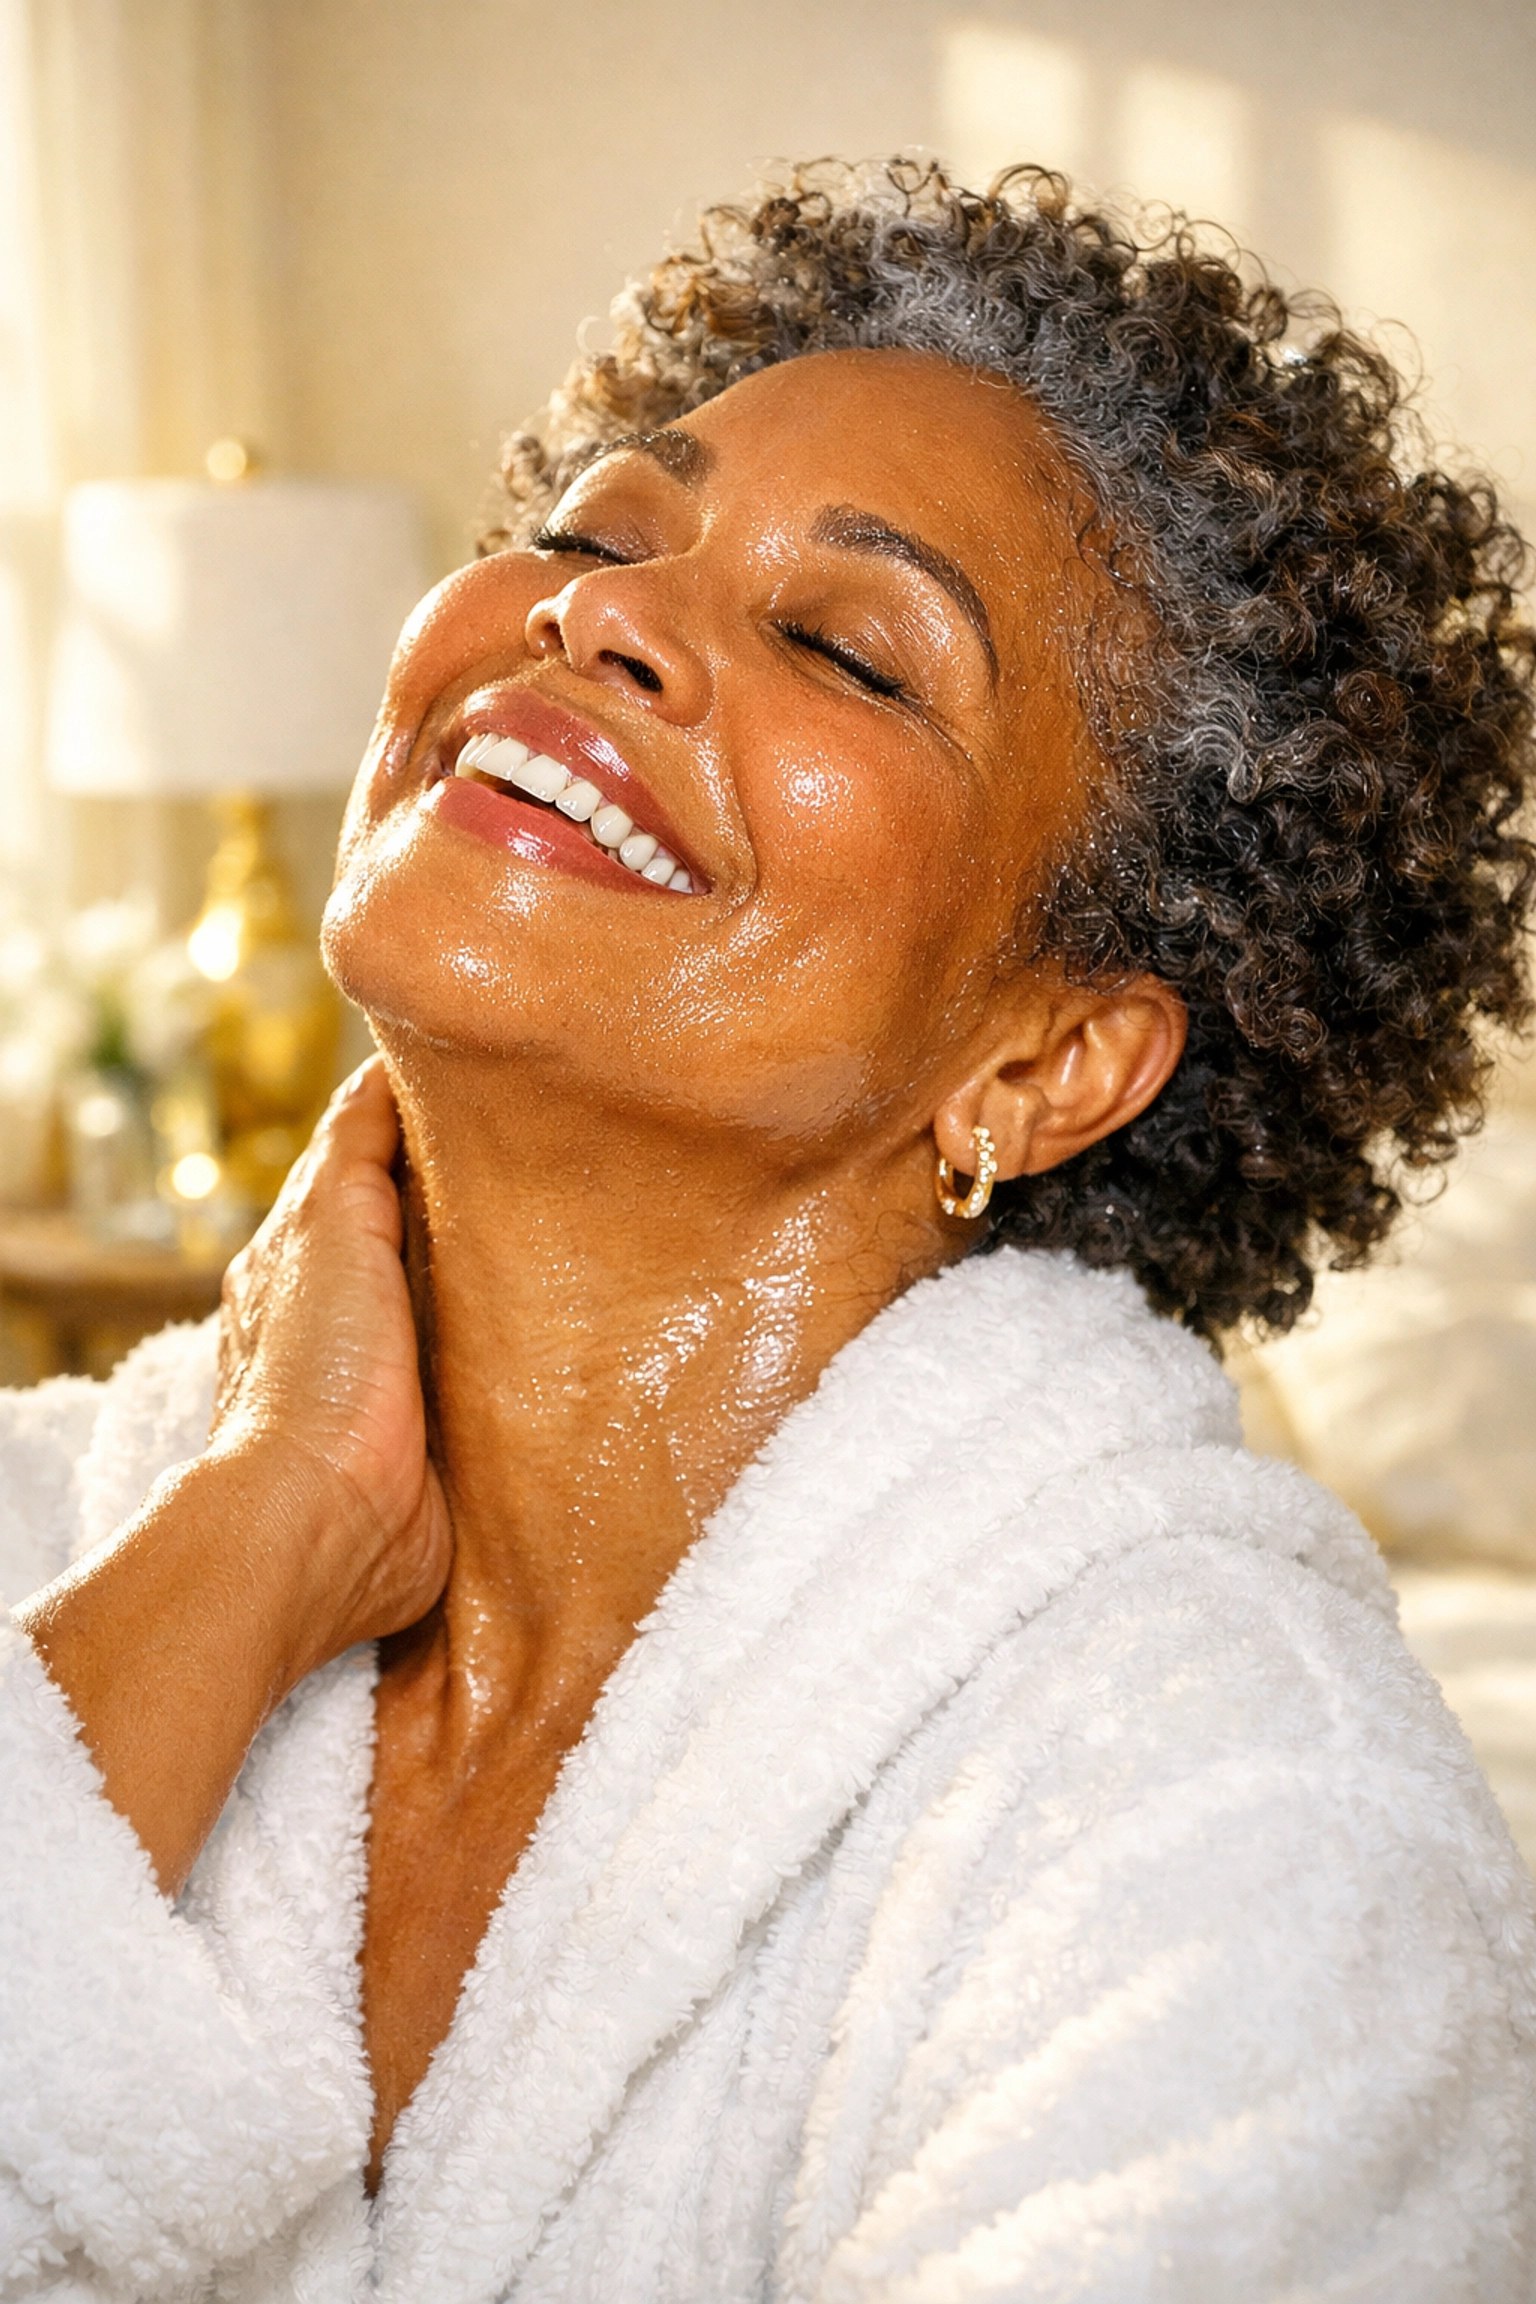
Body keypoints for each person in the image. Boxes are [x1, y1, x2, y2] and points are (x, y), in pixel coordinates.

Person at [3, 159, 1534, 2302]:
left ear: (1049, 1060)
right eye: (594, 533)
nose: (596, 616)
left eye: (841, 647)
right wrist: (255, 1532)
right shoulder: (62, 1532)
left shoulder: (1230, 1825)